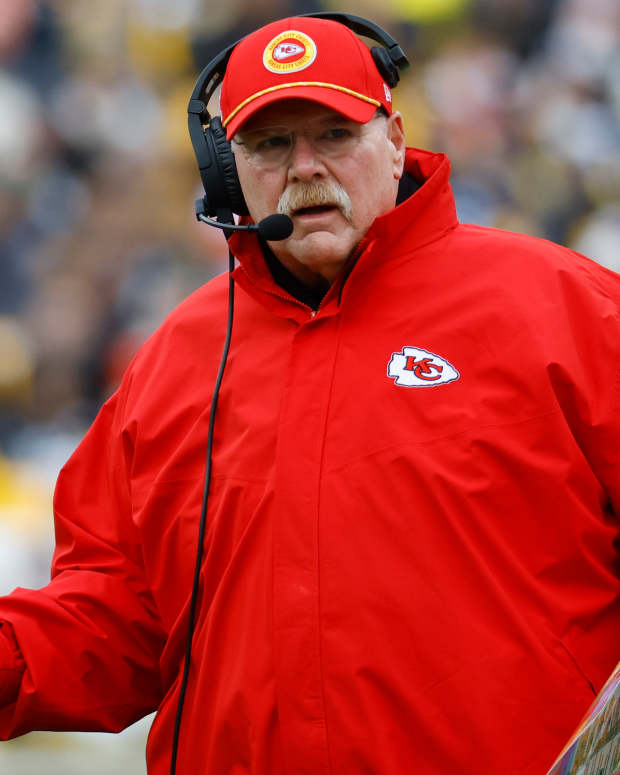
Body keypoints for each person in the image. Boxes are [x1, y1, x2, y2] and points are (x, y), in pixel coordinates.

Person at [1, 13, 619, 775]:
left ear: (394, 142)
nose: (305, 167)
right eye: (270, 143)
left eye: (334, 133)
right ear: (229, 172)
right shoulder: (173, 361)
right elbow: (114, 618)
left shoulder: (564, 306)